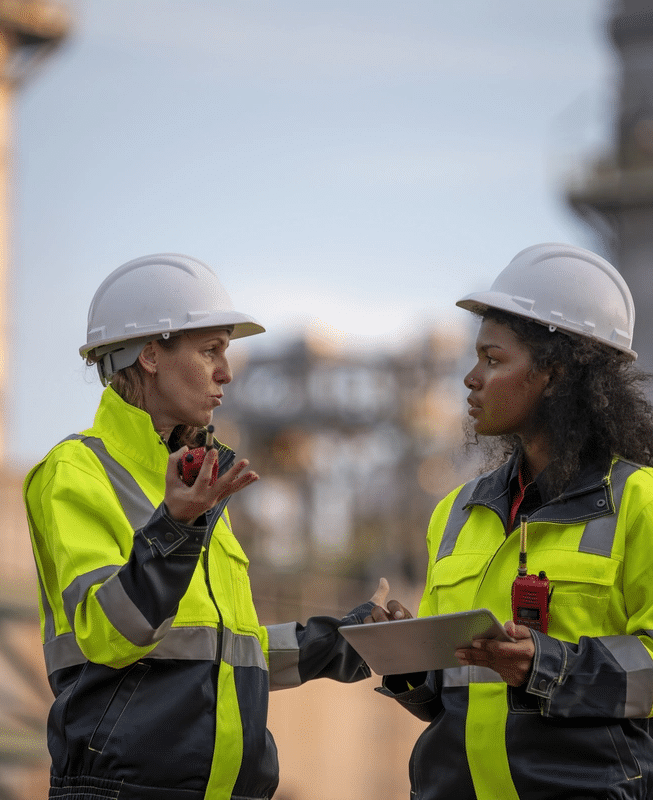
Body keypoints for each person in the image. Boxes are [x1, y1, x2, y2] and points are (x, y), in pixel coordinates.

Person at [23, 253, 392, 800]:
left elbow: (219, 650)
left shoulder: (194, 481)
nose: (227, 371)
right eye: (210, 350)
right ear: (150, 354)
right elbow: (109, 633)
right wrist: (175, 526)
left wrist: (351, 641)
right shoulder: (77, 472)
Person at [372, 243, 653, 799]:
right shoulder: (456, 513)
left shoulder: (642, 503)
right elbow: (448, 691)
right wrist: (406, 662)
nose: (470, 378)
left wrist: (547, 666)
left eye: (493, 359)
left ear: (554, 376)